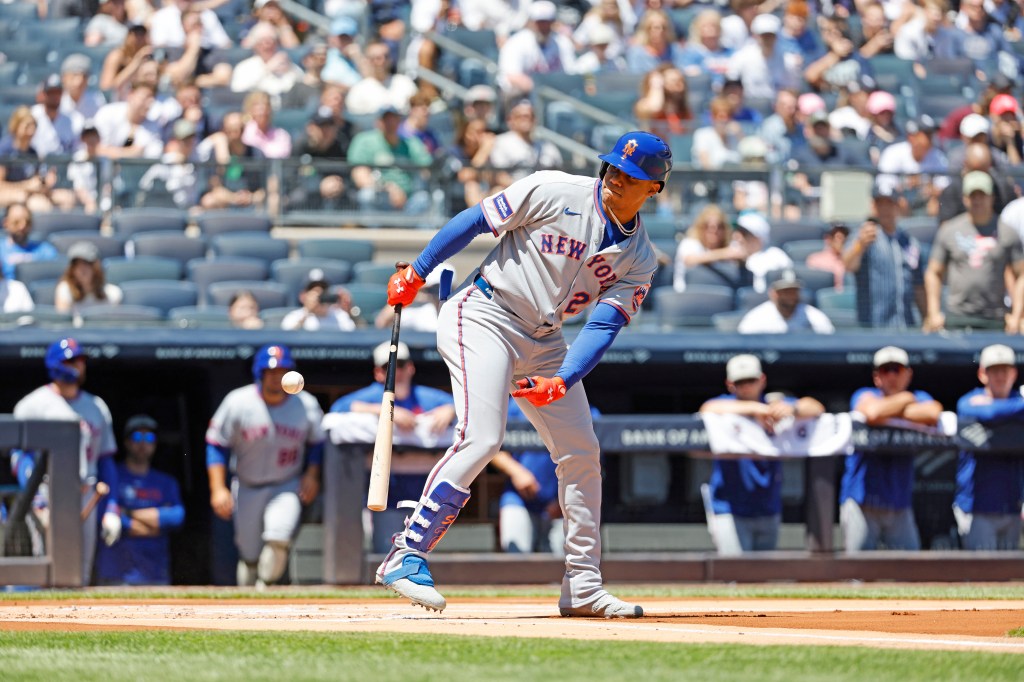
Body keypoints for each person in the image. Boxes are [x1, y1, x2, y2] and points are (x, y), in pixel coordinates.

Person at [375, 131, 672, 618]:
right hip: (486, 313)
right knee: (483, 437)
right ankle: (406, 553)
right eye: (615, 167)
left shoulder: (639, 258)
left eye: (632, 175)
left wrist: (566, 377)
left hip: (546, 340)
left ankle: (583, 584)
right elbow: (477, 220)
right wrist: (420, 270)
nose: (618, 178)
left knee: (581, 453)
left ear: (654, 189)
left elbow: (604, 324)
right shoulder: (555, 189)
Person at [206, 345, 325, 588]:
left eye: (281, 371)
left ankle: (265, 588)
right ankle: (248, 595)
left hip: (286, 483)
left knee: (278, 537)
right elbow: (216, 444)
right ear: (259, 373)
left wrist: (312, 474)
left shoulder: (306, 404)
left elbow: (317, 443)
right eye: (270, 371)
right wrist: (218, 488)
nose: (276, 377)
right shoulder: (238, 401)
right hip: (247, 485)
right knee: (249, 556)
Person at [329, 341, 456, 553]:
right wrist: (383, 410)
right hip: (387, 491)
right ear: (378, 372)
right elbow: (337, 410)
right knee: (386, 553)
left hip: (427, 494)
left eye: (401, 364)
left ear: (411, 367)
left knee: (424, 556)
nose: (396, 371)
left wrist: (451, 410)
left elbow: (464, 408)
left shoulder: (427, 396)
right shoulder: (371, 396)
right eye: (388, 366)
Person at [13, 338, 120, 582]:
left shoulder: (97, 407)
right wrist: (35, 497)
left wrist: (112, 508)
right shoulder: (32, 405)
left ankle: (73, 620)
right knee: (46, 565)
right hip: (46, 491)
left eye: (81, 360)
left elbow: (106, 459)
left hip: (86, 492)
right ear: (55, 364)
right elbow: (19, 456)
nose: (78, 366)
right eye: (71, 360)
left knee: (80, 571)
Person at [699, 354, 825, 555]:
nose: (746, 386)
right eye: (740, 382)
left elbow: (816, 407)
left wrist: (791, 408)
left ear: (762, 380)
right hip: (729, 508)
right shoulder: (725, 404)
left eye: (751, 380)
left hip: (768, 506)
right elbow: (707, 408)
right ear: (730, 384)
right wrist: (757, 409)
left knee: (763, 576)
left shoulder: (774, 404)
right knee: (734, 577)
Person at [840, 346, 943, 552]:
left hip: (899, 503)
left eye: (897, 369)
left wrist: (891, 411)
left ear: (908, 374)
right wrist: (905, 401)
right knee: (858, 573)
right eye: (886, 370)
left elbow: (933, 412)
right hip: (862, 501)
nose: (892, 376)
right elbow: (872, 412)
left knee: (910, 572)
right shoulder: (865, 394)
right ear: (877, 376)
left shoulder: (920, 395)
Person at [924, 171, 1024, 333]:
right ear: (964, 198)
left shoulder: (1006, 232)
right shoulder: (950, 230)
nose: (977, 200)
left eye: (982, 195)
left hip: (995, 319)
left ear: (992, 197)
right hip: (956, 317)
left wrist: (1018, 315)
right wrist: (934, 312)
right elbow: (933, 272)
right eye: (972, 196)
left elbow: (1021, 274)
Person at [94, 415, 185, 585]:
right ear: (127, 442)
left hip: (155, 573)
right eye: (137, 437)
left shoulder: (166, 482)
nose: (143, 443)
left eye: (149, 438)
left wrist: (127, 512)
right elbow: (105, 516)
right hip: (116, 573)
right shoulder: (113, 476)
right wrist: (154, 525)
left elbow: (176, 518)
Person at [954, 344, 1024, 551]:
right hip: (977, 506)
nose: (1001, 376)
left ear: (1014, 373)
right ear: (983, 373)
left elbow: (994, 411)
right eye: (995, 370)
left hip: (1012, 506)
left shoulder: (1017, 400)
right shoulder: (969, 401)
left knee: (1011, 578)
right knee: (981, 575)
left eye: (1005, 370)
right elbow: (988, 414)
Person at [843, 181, 924, 329]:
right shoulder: (865, 235)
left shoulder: (909, 242)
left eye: (889, 203)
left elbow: (918, 286)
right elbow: (848, 265)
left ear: (897, 206)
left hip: (905, 326)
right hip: (874, 327)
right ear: (873, 206)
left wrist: (926, 317)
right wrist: (859, 246)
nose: (884, 209)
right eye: (880, 204)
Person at [347, 105, 433, 214]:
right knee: (367, 195)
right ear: (378, 122)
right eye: (386, 120)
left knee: (424, 198)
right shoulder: (364, 141)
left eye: (394, 119)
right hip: (379, 197)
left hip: (408, 201)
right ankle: (373, 231)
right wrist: (387, 189)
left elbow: (427, 170)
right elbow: (359, 175)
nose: (390, 123)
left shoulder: (411, 143)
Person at [737, 269, 836, 334]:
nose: (790, 296)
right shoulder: (756, 319)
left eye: (793, 291)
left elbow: (829, 341)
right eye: (785, 291)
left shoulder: (814, 317)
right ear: (773, 293)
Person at [672, 204, 744, 293]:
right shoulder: (689, 243)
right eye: (708, 226)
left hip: (722, 297)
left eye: (719, 226)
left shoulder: (729, 246)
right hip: (688, 297)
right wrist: (724, 254)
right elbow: (690, 260)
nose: (714, 230)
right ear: (700, 227)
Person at [54, 241, 123, 323]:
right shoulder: (65, 290)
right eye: (77, 264)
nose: (82, 269)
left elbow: (114, 326)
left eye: (86, 264)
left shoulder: (113, 293)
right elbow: (62, 325)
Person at [733, 212, 793, 293]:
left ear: (759, 238)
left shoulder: (776, 255)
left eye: (744, 233)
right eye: (737, 231)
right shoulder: (729, 254)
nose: (738, 237)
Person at [280, 269, 356, 331]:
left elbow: (358, 338)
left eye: (323, 290)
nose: (319, 294)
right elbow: (287, 338)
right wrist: (307, 313)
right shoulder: (294, 317)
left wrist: (350, 312)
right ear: (303, 296)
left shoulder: (340, 316)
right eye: (314, 291)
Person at [0, 203, 59, 281]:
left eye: (27, 222)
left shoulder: (45, 250)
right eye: (16, 222)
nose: (22, 226)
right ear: (6, 223)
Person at [805, 223, 849, 290]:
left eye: (845, 236)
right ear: (828, 239)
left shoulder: (852, 260)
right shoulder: (815, 260)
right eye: (838, 237)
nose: (843, 240)